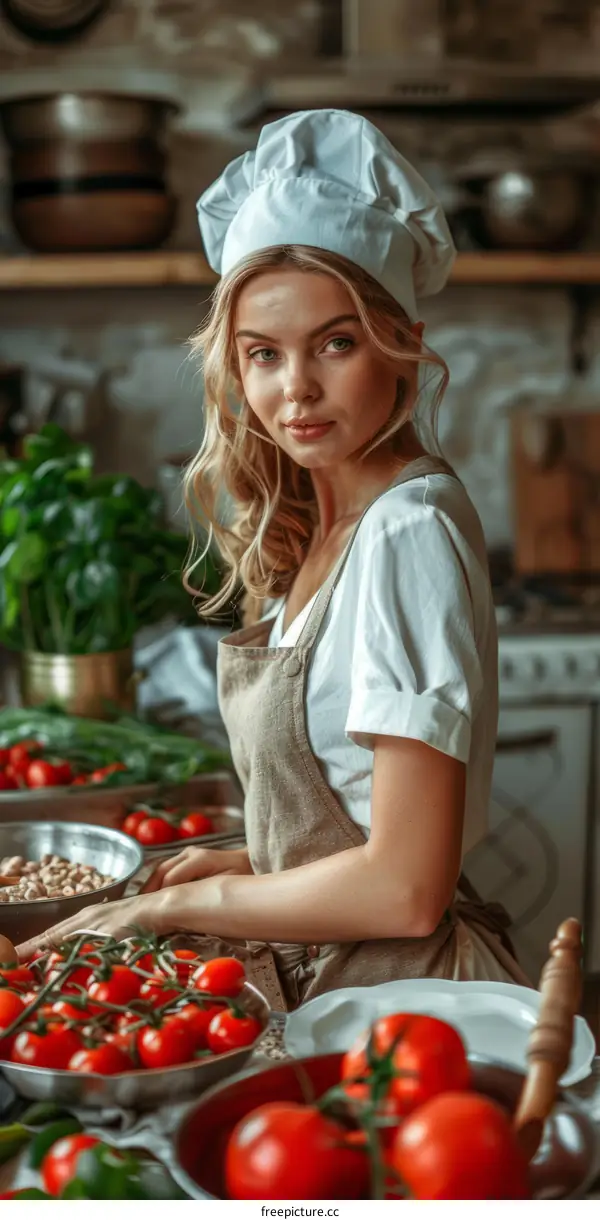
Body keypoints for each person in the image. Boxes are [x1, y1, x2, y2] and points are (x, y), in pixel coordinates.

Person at [18, 109, 531, 1005]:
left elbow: (406, 887)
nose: (295, 389)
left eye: (336, 343)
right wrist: (236, 859)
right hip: (333, 979)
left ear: (400, 346)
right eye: (263, 354)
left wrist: (177, 911)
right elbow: (353, 814)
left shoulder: (407, 532)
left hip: (395, 997)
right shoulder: (337, 525)